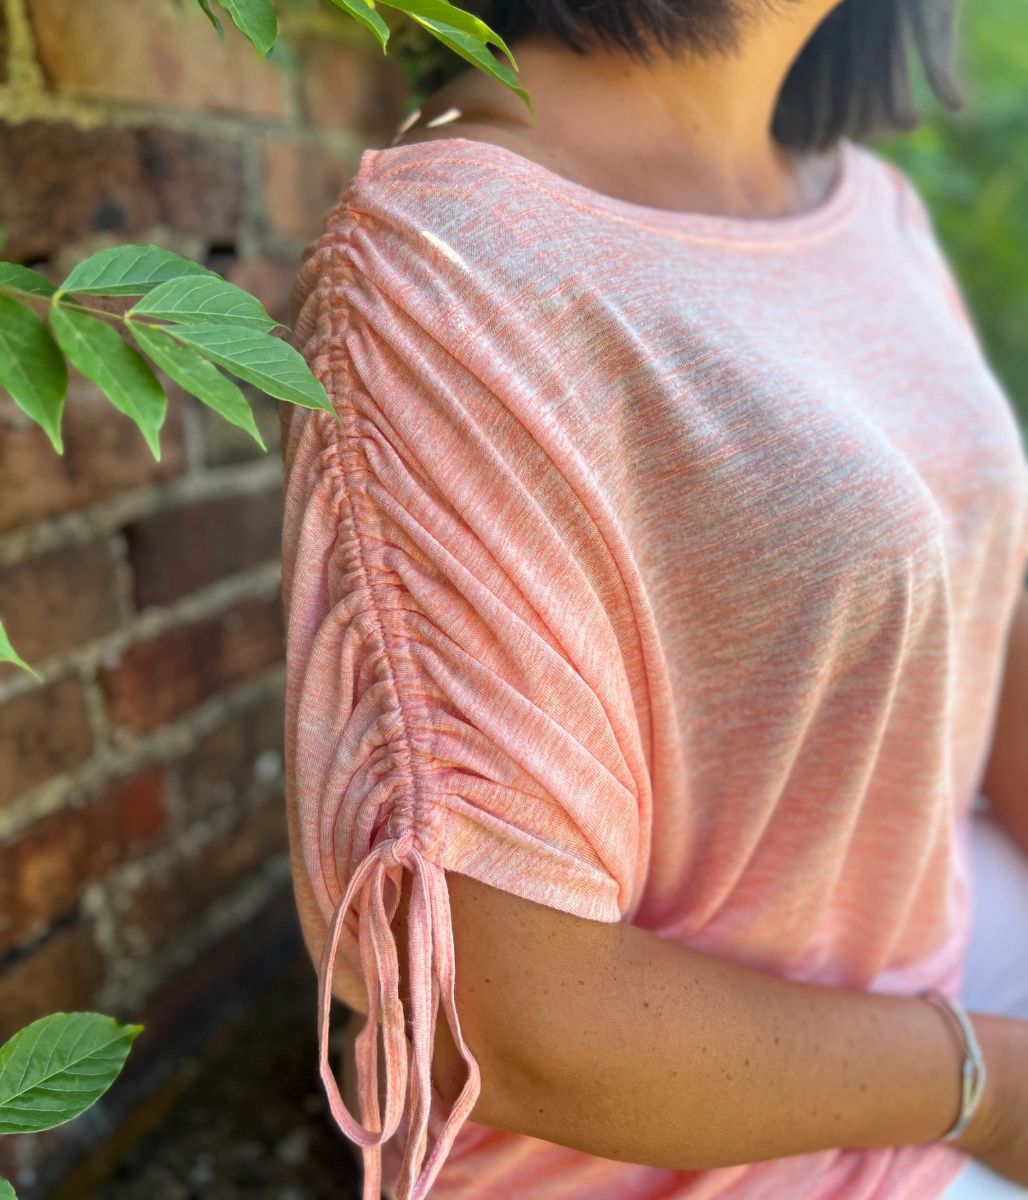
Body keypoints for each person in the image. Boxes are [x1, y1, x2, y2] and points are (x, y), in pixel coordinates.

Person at [279, 1, 1028, 1197]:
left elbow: (975, 579)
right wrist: (987, 1092)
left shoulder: (864, 207)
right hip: (713, 1157)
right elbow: (519, 1022)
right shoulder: (455, 256)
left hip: (926, 976)